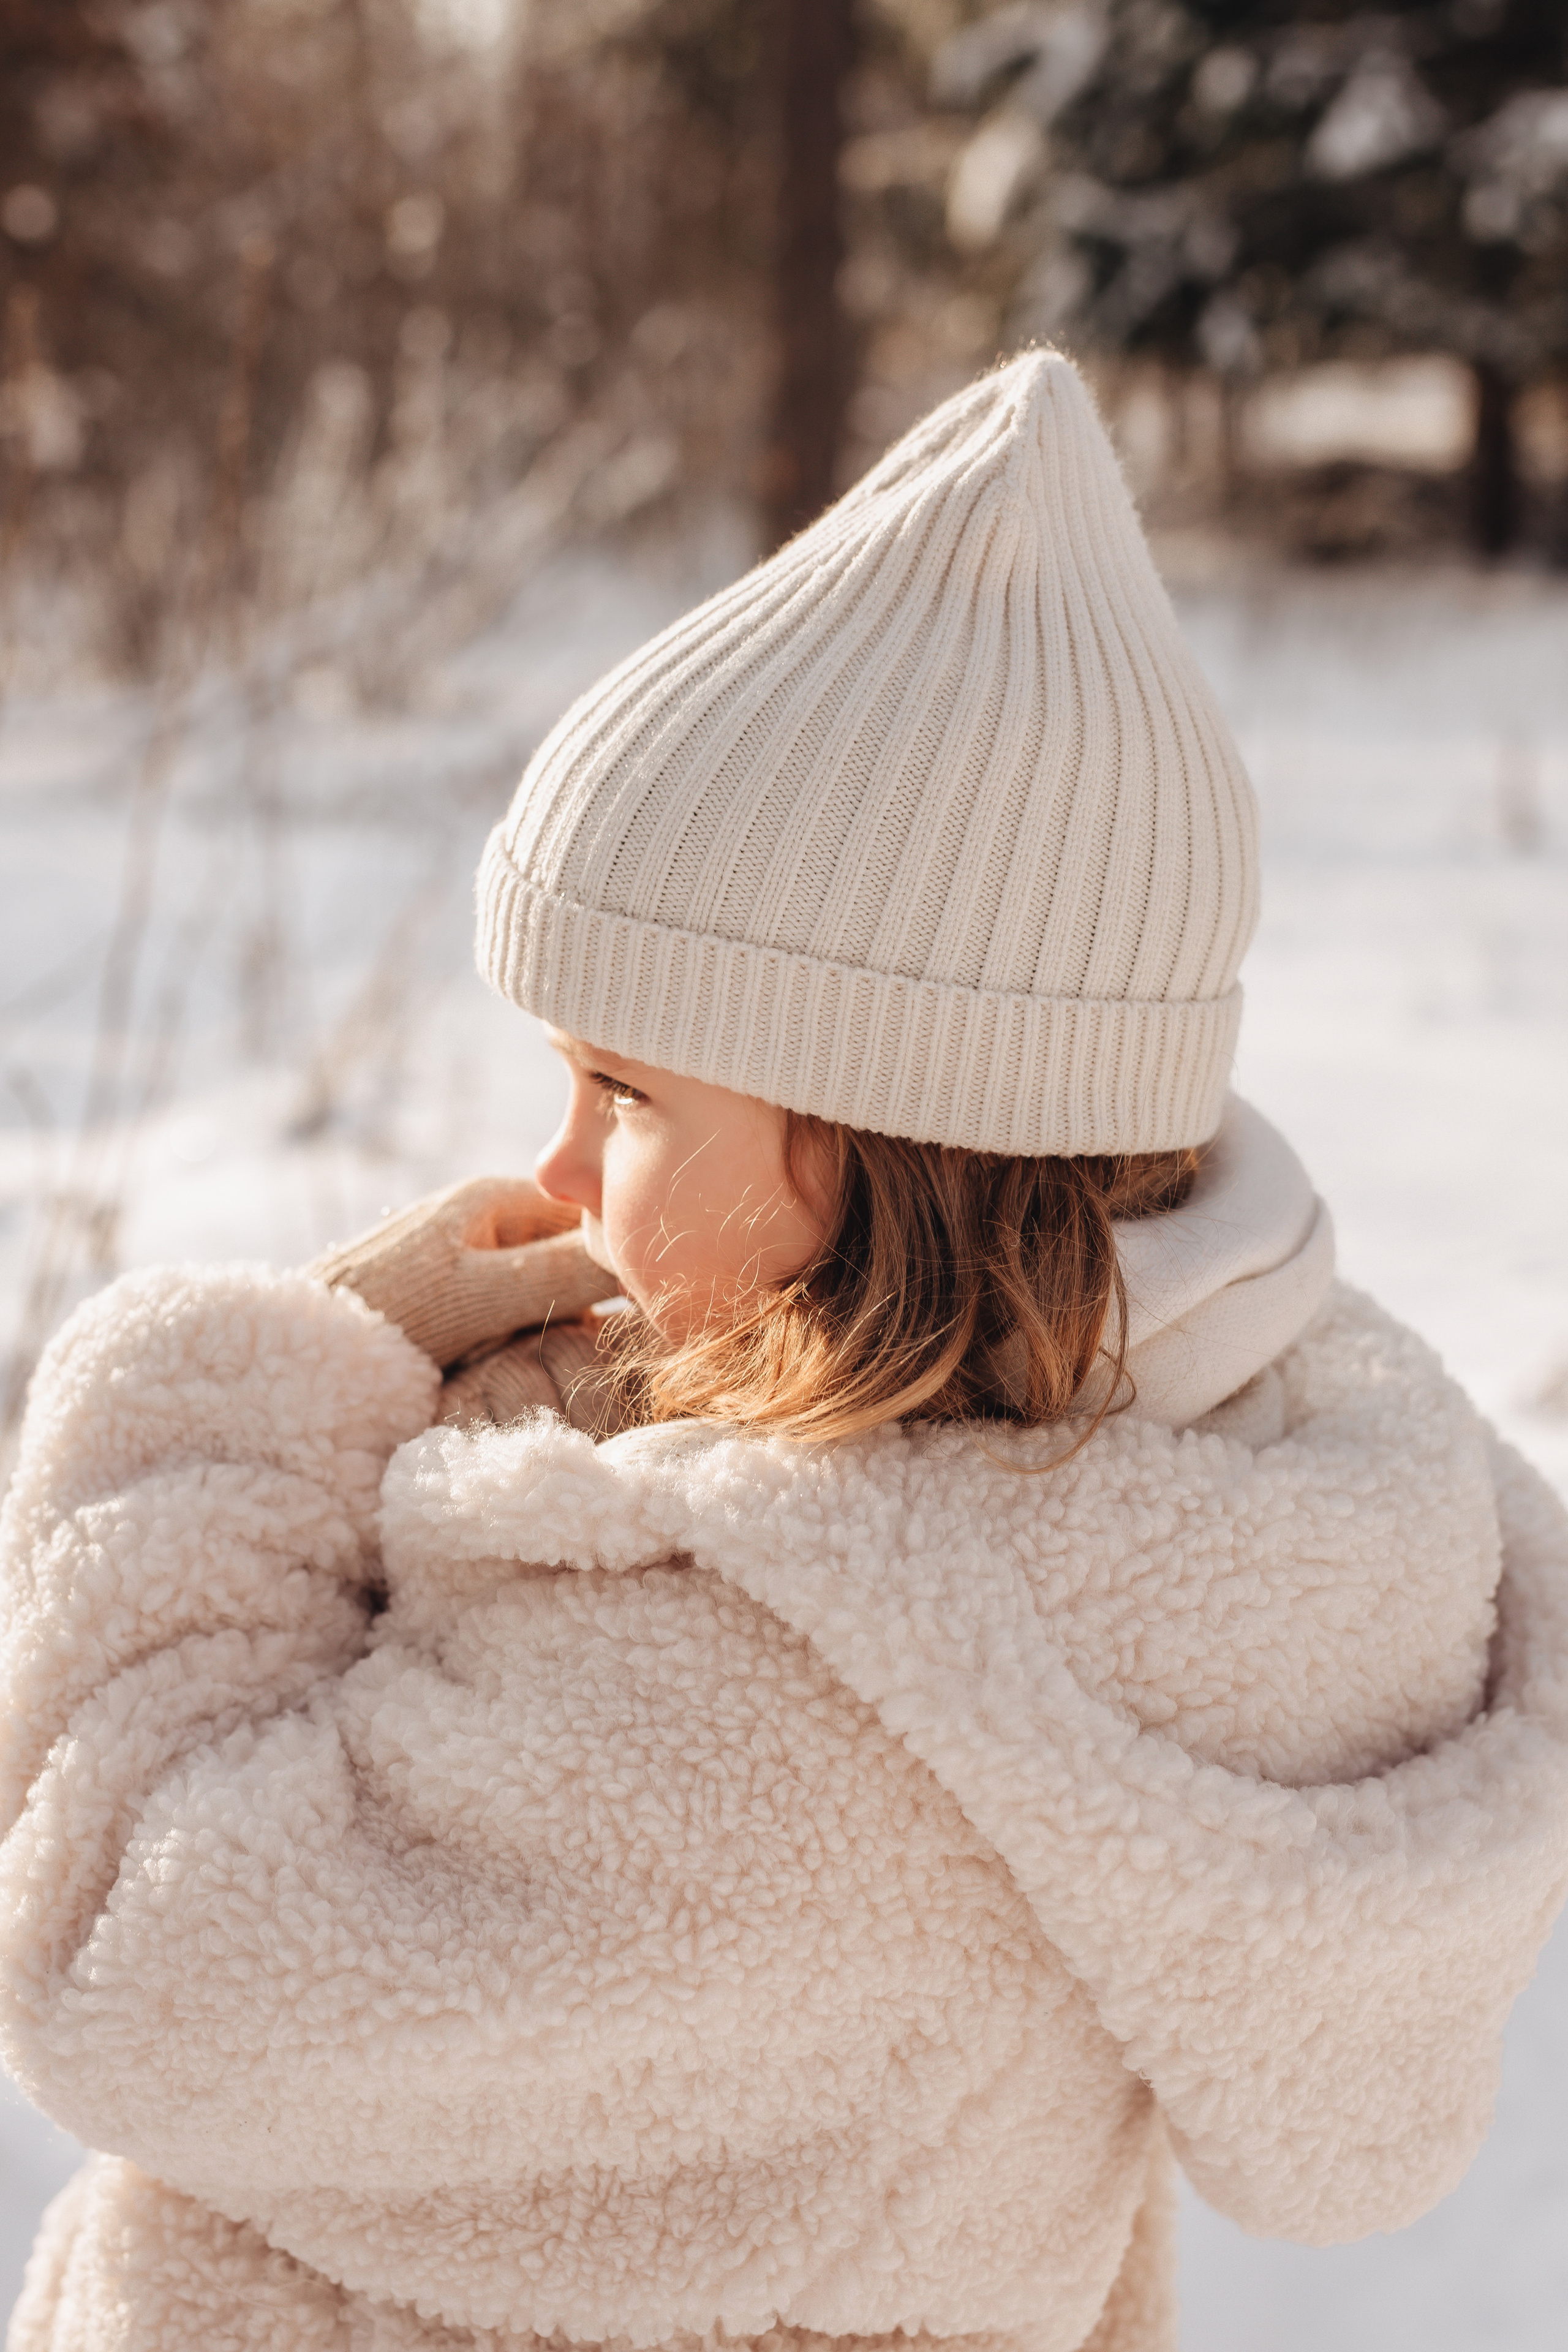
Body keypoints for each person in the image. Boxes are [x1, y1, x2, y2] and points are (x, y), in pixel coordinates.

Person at [4, 352, 1567, 2352]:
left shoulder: (774, 1698)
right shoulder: (1221, 1543)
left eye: (624, 1093)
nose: (557, 1163)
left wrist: (249, 1394)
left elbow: (123, 1959)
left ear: (896, 1129)